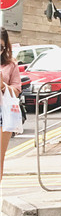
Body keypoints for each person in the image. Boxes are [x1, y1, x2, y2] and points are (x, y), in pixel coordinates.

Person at [1, 28, 23, 180]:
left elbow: (16, 90)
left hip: (3, 114)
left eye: (0, 47)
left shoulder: (11, 65)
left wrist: (2, 86)